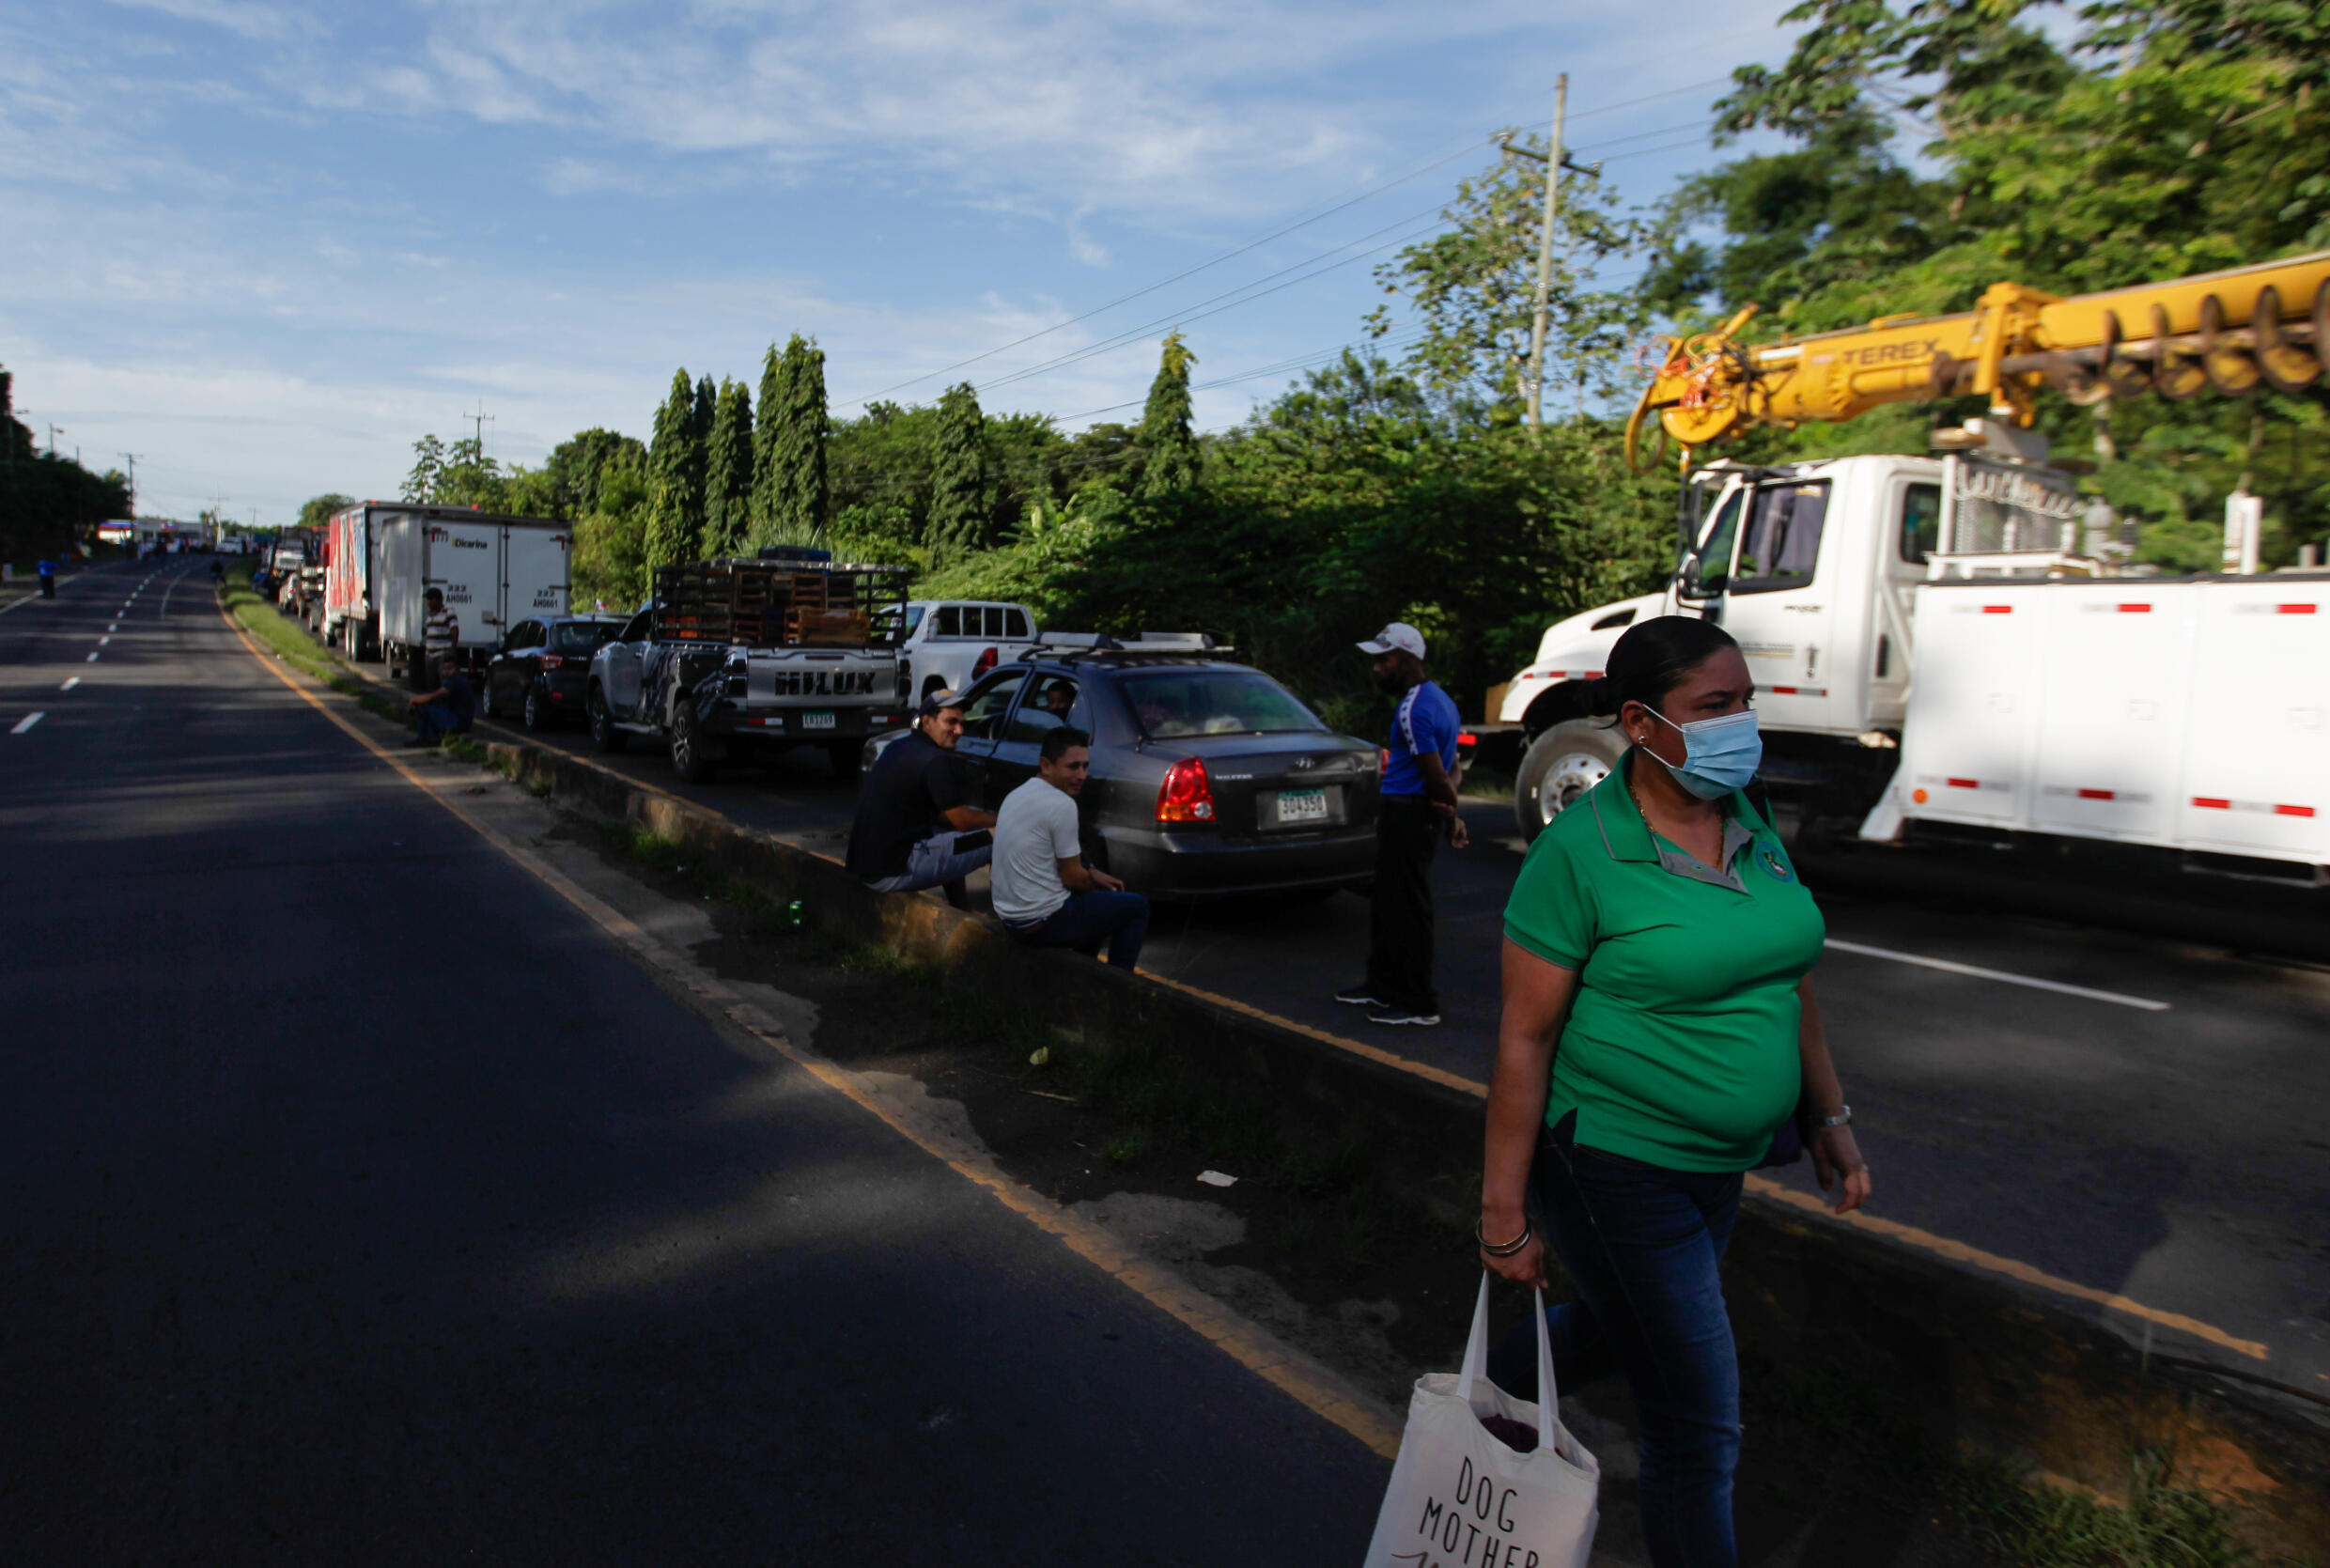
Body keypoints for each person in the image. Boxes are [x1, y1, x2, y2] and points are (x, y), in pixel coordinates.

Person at [1476, 615, 1871, 1568]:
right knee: (1696, 1428)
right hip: (1615, 1163)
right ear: (1641, 724)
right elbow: (1523, 1039)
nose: (1741, 725)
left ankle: (1495, 1375)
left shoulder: (1751, 816)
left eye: (1744, 702)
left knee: (1629, 1331)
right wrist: (1501, 1210)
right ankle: (1498, 1380)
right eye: (1713, 707)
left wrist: (1827, 1116)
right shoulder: (1579, 853)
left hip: (1718, 1164)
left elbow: (1789, 979)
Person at [1335, 621, 1466, 1026]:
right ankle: (1382, 985)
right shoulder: (1441, 700)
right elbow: (1454, 766)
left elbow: (1437, 776)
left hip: (1408, 814)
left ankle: (1418, 1003)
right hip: (1412, 812)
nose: (1377, 668)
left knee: (1408, 908)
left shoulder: (1415, 707)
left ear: (1408, 661)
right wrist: (1447, 805)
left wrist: (1452, 812)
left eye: (1385, 659)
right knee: (1389, 903)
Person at [992, 727, 1150, 970]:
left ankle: (1084, 975)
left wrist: (1091, 872)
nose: (1082, 775)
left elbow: (1063, 859)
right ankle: (1119, 989)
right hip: (1039, 924)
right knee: (1136, 907)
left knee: (1098, 905)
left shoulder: (1018, 793)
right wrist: (1096, 884)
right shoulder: (1062, 804)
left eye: (1085, 766)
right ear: (1046, 765)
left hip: (1011, 920)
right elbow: (1072, 878)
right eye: (1073, 767)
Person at [846, 690, 998, 899]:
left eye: (963, 723)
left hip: (866, 866)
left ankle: (960, 912)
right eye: (951, 722)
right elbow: (964, 821)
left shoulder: (897, 746)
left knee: (947, 839)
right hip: (895, 869)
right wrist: (1005, 819)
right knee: (997, 837)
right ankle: (1012, 920)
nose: (959, 730)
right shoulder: (935, 760)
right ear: (927, 722)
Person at [406, 659, 476, 748]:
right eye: (445, 669)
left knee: (423, 707)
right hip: (460, 720)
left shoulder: (455, 681)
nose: (447, 672)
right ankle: (431, 736)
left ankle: (425, 738)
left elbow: (435, 695)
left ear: (457, 669)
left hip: (458, 722)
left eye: (450, 669)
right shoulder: (458, 680)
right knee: (430, 707)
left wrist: (415, 700)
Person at [422, 586, 458, 683]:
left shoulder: (448, 612)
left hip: (442, 654)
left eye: (431, 600)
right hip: (429, 655)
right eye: (428, 600)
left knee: (444, 682)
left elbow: (455, 630)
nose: (429, 603)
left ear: (439, 600)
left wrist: (453, 648)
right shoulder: (429, 615)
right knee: (431, 683)